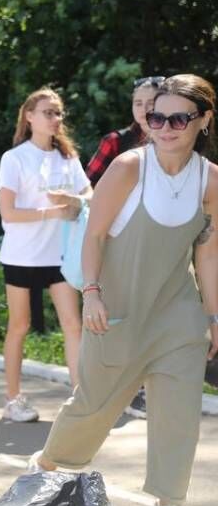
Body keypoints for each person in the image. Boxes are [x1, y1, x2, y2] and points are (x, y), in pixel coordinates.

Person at [33, 74, 218, 506]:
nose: (167, 126)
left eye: (179, 118)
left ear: (204, 120)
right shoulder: (128, 168)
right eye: (157, 117)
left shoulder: (210, 180)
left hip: (177, 312)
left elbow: (209, 254)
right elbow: (94, 235)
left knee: (179, 411)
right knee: (95, 404)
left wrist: (213, 316)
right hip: (114, 306)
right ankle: (46, 469)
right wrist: (91, 293)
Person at [0, 88, 89, 422]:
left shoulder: (68, 158)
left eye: (59, 112)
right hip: (21, 257)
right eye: (48, 112)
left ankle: (80, 397)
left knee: (73, 325)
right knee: (20, 325)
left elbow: (87, 195)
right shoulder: (14, 158)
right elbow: (8, 213)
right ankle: (13, 400)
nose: (55, 118)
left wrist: (73, 202)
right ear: (29, 116)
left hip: (61, 257)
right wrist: (52, 212)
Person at [85, 75, 164, 419]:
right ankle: (117, 388)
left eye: (151, 103)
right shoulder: (117, 142)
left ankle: (144, 387)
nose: (144, 110)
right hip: (120, 242)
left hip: (164, 242)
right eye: (138, 103)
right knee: (122, 316)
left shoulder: (176, 141)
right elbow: (89, 185)